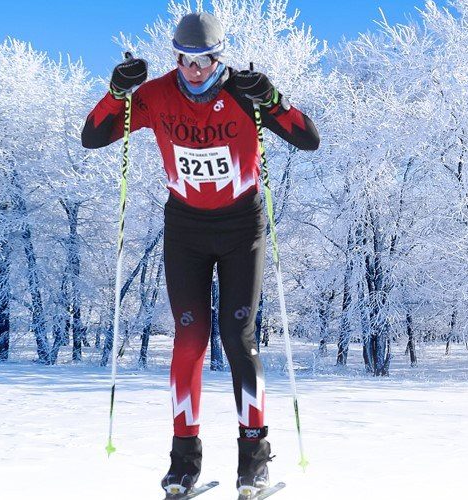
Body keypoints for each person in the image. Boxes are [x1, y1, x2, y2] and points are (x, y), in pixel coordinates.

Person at [81, 12, 319, 499]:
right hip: (186, 229)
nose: (193, 70)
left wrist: (272, 98)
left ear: (219, 57)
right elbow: (93, 135)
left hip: (241, 229)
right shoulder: (158, 94)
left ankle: (253, 460)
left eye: (203, 60)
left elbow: (307, 138)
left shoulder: (242, 93)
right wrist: (117, 92)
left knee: (238, 336)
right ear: (176, 56)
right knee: (189, 339)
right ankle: (183, 463)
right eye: (184, 60)